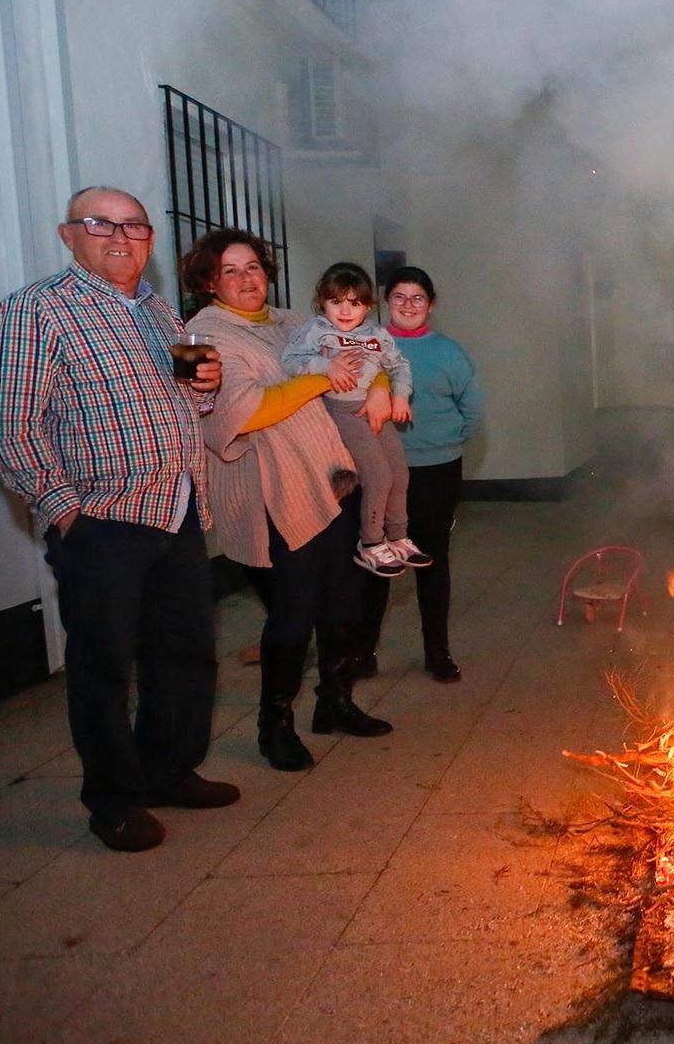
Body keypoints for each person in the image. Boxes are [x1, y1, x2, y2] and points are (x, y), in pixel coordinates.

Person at [0, 186, 238, 852]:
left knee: (184, 655)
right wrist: (66, 514)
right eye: (102, 224)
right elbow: (13, 429)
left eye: (135, 226)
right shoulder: (35, 311)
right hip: (103, 522)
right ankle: (115, 802)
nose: (121, 237)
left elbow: (193, 402)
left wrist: (205, 391)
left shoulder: (160, 312)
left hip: (176, 507)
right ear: (70, 234)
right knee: (103, 669)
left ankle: (168, 771)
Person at [181, 230, 395, 771]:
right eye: (230, 271)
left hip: (333, 481)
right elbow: (243, 411)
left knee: (346, 603)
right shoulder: (206, 334)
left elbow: (361, 361)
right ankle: (273, 726)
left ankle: (336, 702)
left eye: (253, 266)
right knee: (293, 614)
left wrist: (377, 386)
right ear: (209, 281)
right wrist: (322, 377)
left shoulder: (290, 322)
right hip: (273, 491)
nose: (246, 278)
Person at [357, 266, 483, 683]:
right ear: (384, 301)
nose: (408, 305)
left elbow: (473, 412)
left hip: (436, 471)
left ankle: (437, 652)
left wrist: (441, 444)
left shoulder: (450, 353)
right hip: (381, 471)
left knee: (432, 560)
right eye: (399, 297)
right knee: (376, 561)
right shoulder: (366, 346)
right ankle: (364, 653)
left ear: (431, 304)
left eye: (418, 298)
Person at [281, 263, 432, 578]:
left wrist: (400, 396)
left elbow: (399, 365)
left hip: (376, 410)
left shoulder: (376, 334)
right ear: (322, 301)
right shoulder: (317, 330)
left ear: (368, 304)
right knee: (378, 476)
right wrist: (325, 366)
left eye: (355, 302)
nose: (346, 311)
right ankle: (371, 542)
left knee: (399, 474)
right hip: (342, 410)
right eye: (336, 302)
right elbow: (290, 360)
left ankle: (398, 535)